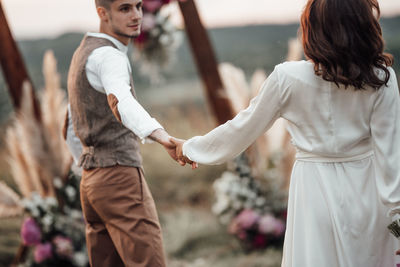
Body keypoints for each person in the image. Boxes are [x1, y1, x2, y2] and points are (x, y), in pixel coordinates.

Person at [171, 0, 400, 266]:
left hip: (314, 193)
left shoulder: (288, 78)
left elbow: (242, 129)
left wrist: (189, 148)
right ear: (364, 27)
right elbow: (391, 159)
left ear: (312, 28)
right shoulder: (381, 79)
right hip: (367, 195)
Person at [65, 0, 192, 266]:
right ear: (102, 13)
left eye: (138, 6)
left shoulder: (83, 53)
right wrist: (161, 137)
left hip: (91, 182)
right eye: (124, 8)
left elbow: (68, 123)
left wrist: (88, 165)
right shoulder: (109, 55)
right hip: (119, 177)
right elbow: (121, 99)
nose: (136, 15)